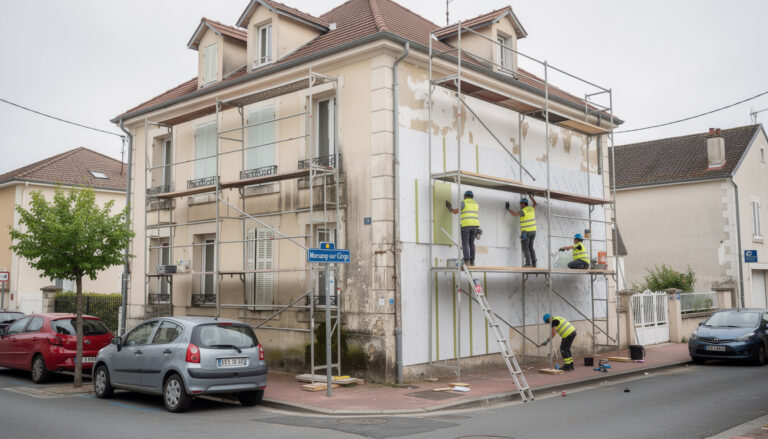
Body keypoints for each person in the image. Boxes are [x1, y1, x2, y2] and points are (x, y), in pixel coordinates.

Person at [446, 190, 479, 266]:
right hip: (475, 226)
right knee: (471, 243)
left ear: (465, 196)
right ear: (472, 197)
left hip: (466, 226)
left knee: (465, 243)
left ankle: (467, 261)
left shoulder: (464, 202)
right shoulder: (476, 204)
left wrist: (450, 208)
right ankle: (472, 261)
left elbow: (455, 211)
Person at [506, 195, 537, 267]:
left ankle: (528, 264)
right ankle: (534, 262)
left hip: (526, 233)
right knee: (531, 248)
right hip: (533, 232)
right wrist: (531, 197)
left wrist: (508, 209)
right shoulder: (531, 209)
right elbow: (535, 204)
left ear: (523, 204)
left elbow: (514, 214)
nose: (520, 205)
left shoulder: (523, 211)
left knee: (525, 248)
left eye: (520, 203)